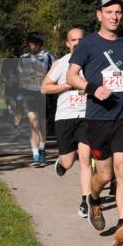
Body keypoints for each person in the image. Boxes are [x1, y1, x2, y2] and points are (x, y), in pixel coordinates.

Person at [67, 0, 123, 246]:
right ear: (99, 15)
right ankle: (94, 198)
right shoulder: (87, 44)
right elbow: (71, 76)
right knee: (104, 175)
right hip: (99, 118)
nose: (114, 16)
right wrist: (92, 89)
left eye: (118, 12)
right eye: (109, 12)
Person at [41, 28, 92, 218]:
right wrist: (66, 86)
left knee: (85, 160)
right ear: (67, 43)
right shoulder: (61, 64)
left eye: (81, 39)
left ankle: (85, 201)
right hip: (65, 117)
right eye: (74, 40)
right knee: (69, 161)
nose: (78, 43)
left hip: (87, 116)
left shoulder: (93, 61)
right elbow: (44, 88)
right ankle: (62, 162)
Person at [18, 33, 55, 166]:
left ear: (40, 43)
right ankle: (35, 155)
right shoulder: (23, 58)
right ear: (28, 44)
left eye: (37, 42)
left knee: (42, 125)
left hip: (44, 93)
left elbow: (55, 73)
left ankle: (42, 149)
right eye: (32, 42)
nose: (34, 45)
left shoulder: (48, 56)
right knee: (33, 123)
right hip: (29, 93)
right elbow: (21, 77)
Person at [0, 44, 22, 128]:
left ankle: (17, 123)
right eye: (13, 51)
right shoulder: (6, 61)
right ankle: (9, 113)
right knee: (9, 104)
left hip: (19, 87)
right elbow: (2, 74)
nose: (15, 53)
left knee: (19, 103)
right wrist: (4, 79)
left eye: (16, 51)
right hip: (9, 87)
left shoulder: (22, 60)